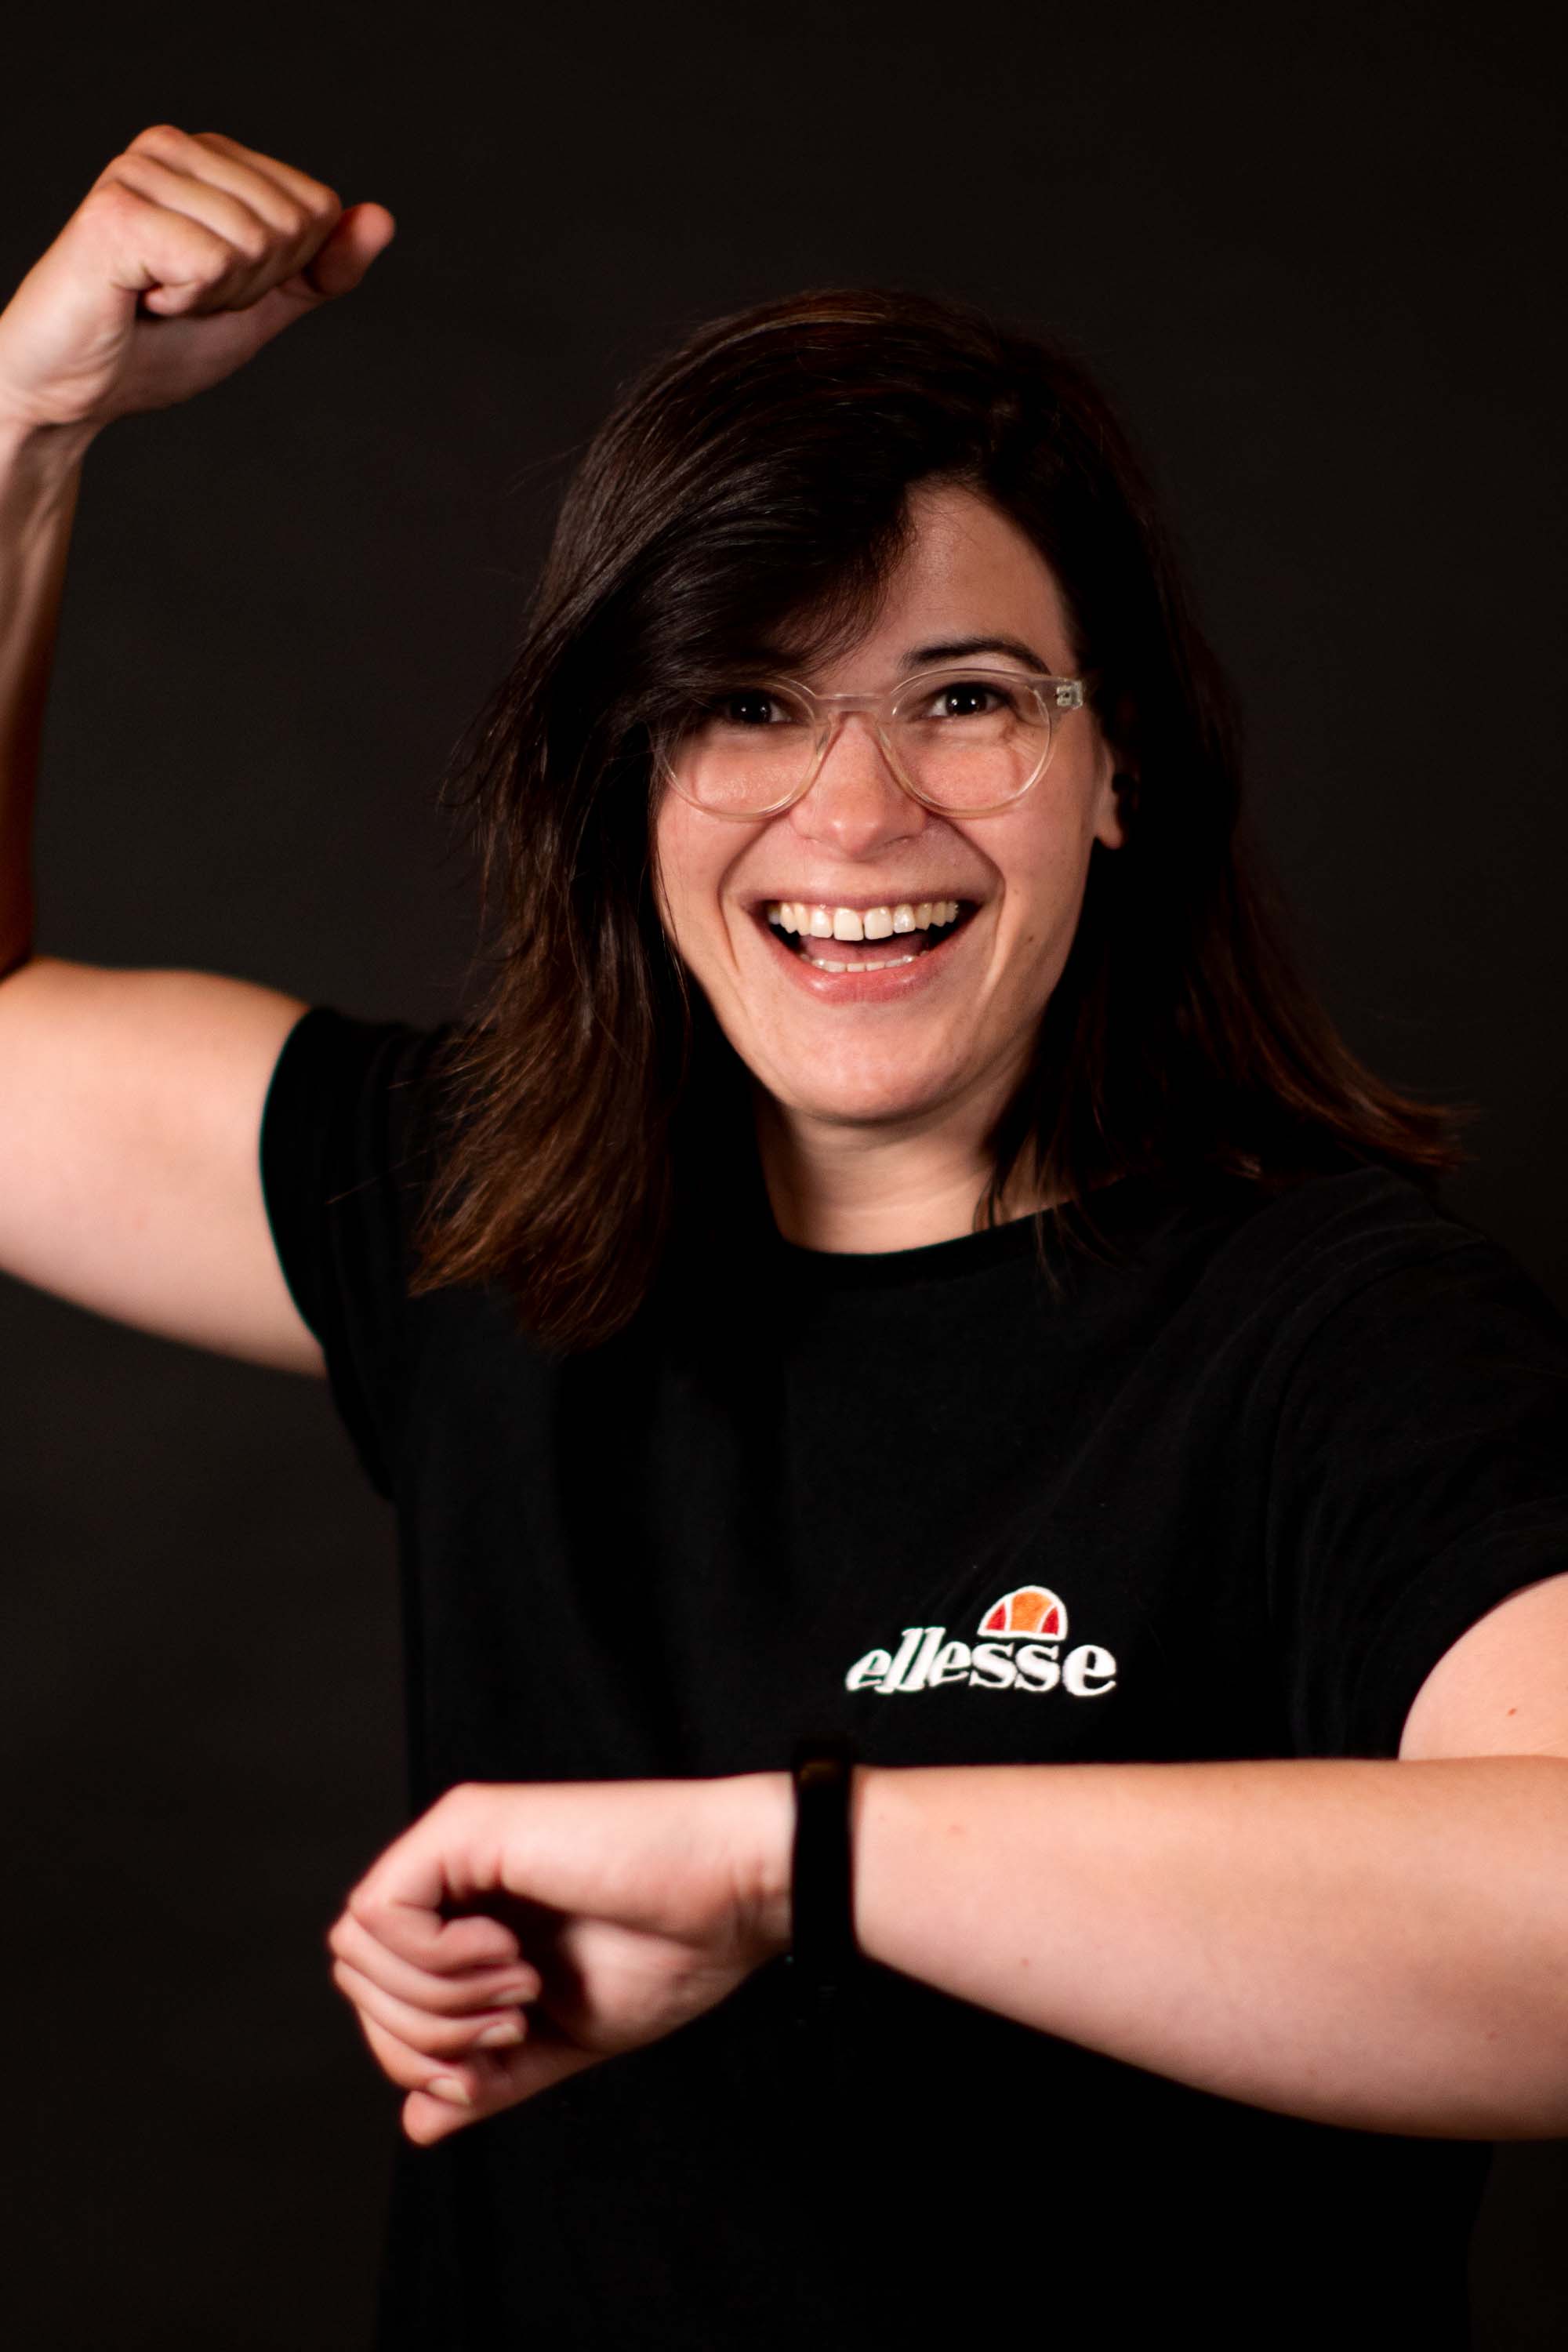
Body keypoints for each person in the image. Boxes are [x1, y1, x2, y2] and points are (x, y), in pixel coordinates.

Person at [2, 125, 1566, 2352]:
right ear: (629, 774)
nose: (854, 816)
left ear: (1115, 762)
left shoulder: (1343, 1335)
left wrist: (796, 1864)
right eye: (745, 702)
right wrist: (27, 423)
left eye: (964, 698)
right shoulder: (484, 1213)